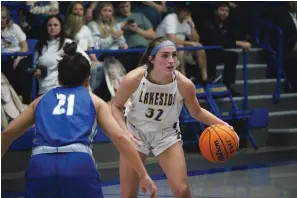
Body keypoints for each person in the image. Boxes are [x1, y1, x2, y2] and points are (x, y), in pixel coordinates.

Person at [1, 42, 157, 198]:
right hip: (78, 164)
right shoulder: (95, 101)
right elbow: (120, 137)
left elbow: (7, 133)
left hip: (41, 164)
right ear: (88, 80)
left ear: (58, 78)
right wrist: (143, 174)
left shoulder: (40, 101)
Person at [111, 37, 239, 198]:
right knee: (128, 195)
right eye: (165, 56)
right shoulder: (134, 79)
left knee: (182, 190)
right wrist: (125, 133)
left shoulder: (184, 84)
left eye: (174, 55)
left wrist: (224, 125)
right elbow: (115, 107)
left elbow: (197, 112)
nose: (171, 61)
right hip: (136, 134)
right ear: (152, 59)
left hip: (166, 135)